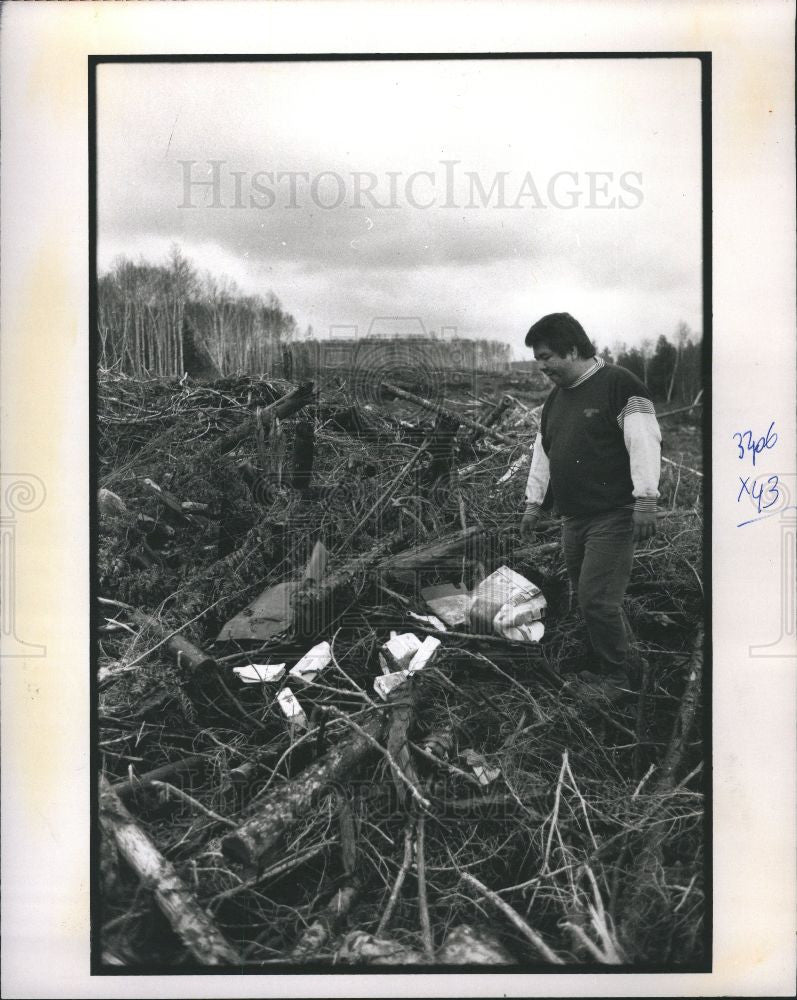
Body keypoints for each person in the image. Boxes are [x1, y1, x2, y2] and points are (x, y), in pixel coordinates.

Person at [520, 312, 661, 695]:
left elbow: (644, 441)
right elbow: (543, 454)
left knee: (597, 599)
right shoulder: (555, 402)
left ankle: (618, 680)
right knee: (591, 599)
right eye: (538, 359)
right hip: (574, 518)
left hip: (614, 514)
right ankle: (627, 665)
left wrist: (646, 499)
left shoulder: (618, 384)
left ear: (572, 348)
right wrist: (533, 503)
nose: (542, 366)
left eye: (547, 356)